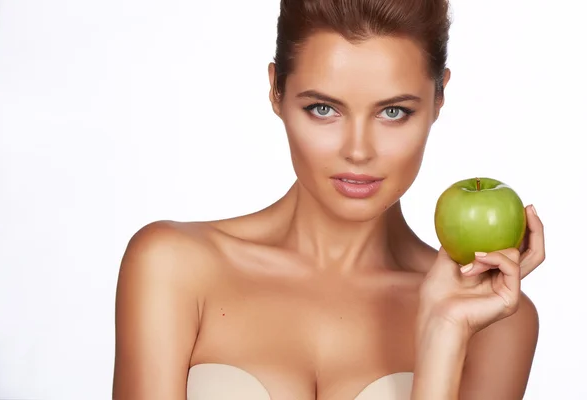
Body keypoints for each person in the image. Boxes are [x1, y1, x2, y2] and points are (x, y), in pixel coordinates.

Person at [112, 0, 546, 399]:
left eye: (393, 111)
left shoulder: (494, 320)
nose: (358, 150)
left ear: (438, 98)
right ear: (276, 93)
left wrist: (444, 332)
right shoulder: (172, 266)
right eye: (323, 109)